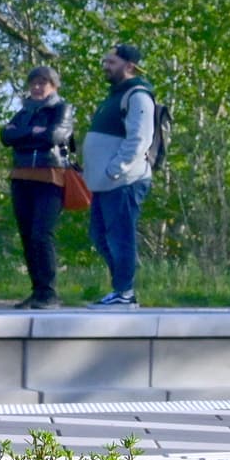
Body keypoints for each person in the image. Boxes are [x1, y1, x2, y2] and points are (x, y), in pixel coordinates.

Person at [80, 43, 158, 308]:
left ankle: (125, 292)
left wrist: (115, 169)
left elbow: (140, 139)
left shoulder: (138, 95)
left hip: (125, 182)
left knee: (120, 236)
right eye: (106, 61)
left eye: (111, 62)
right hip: (105, 184)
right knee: (99, 235)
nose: (106, 66)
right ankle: (120, 289)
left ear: (129, 66)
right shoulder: (114, 96)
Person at [0, 63, 75, 311]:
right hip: (21, 176)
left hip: (50, 176)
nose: (37, 87)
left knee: (42, 234)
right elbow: (6, 136)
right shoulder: (23, 112)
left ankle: (50, 293)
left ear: (53, 86)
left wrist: (25, 135)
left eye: (43, 82)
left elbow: (54, 136)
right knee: (27, 236)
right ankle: (37, 291)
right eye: (34, 83)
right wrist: (33, 132)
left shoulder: (62, 108)